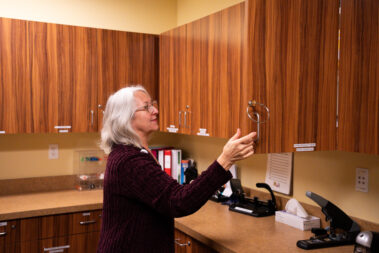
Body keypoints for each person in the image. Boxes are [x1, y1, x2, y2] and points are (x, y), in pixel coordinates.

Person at [97, 85, 256, 253]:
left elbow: (168, 195)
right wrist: (225, 160)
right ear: (125, 118)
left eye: (153, 104)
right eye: (146, 107)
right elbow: (178, 201)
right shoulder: (130, 161)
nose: (155, 111)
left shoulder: (132, 153)